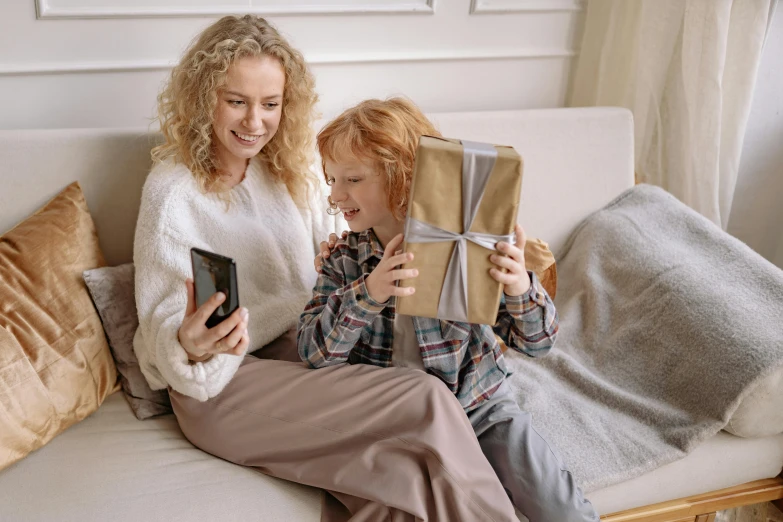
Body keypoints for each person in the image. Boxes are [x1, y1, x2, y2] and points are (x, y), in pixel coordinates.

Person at [132, 14, 519, 522]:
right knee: (424, 398)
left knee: (402, 487)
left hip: (303, 364)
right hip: (222, 384)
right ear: (204, 97)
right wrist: (187, 343)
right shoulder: (172, 193)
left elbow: (334, 277)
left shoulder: (293, 174)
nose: (255, 122)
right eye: (237, 101)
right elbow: (160, 319)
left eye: (270, 104)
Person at [299, 97, 600, 522]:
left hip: (479, 405)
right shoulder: (344, 260)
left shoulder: (468, 244)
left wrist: (517, 285)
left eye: (352, 178)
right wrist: (370, 292)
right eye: (331, 178)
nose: (335, 194)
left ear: (403, 178)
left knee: (560, 506)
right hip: (398, 424)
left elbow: (539, 342)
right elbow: (313, 353)